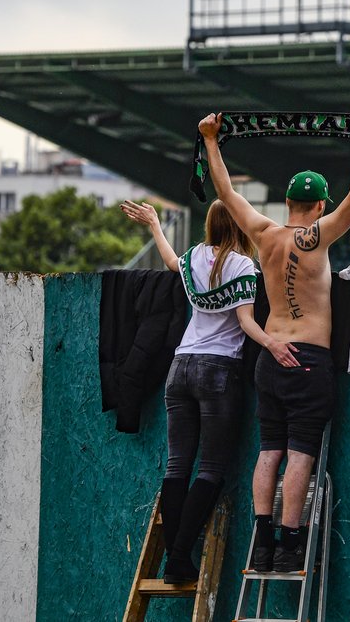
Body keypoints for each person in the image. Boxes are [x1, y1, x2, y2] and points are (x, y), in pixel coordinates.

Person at [198, 110, 350, 572]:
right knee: (300, 453)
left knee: (269, 450)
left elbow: (226, 193)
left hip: (268, 357)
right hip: (307, 359)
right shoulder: (318, 237)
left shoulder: (263, 234)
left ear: (286, 201)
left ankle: (260, 539)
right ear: (321, 205)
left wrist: (211, 141)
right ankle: (289, 542)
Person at [120, 198, 298, 584]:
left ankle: (174, 558)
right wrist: (272, 344)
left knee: (177, 465)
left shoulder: (195, 257)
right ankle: (180, 557)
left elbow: (169, 262)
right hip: (219, 371)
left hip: (179, 368)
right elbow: (246, 323)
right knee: (212, 468)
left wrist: (154, 224)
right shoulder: (242, 267)